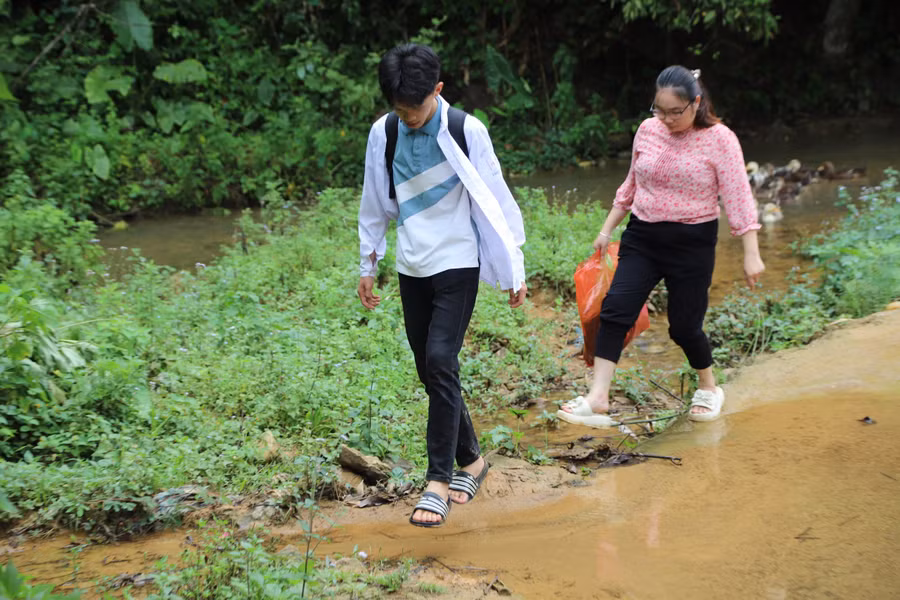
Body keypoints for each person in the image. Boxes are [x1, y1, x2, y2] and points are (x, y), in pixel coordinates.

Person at [357, 43, 528, 527]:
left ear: (438, 89)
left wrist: (514, 267)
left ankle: (437, 479)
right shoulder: (384, 132)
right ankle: (473, 461)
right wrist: (368, 264)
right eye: (399, 109)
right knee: (430, 370)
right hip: (413, 265)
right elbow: (374, 202)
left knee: (440, 359)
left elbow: (497, 199)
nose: (408, 117)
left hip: (457, 262)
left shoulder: (465, 130)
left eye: (415, 108)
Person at [559, 65, 765, 426]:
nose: (666, 119)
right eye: (659, 109)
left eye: (675, 112)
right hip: (644, 236)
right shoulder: (648, 130)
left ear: (696, 103)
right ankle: (599, 397)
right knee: (615, 309)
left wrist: (751, 252)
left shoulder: (721, 139)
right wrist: (607, 230)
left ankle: (709, 387)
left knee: (684, 327)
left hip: (692, 243)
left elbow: (738, 196)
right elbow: (631, 184)